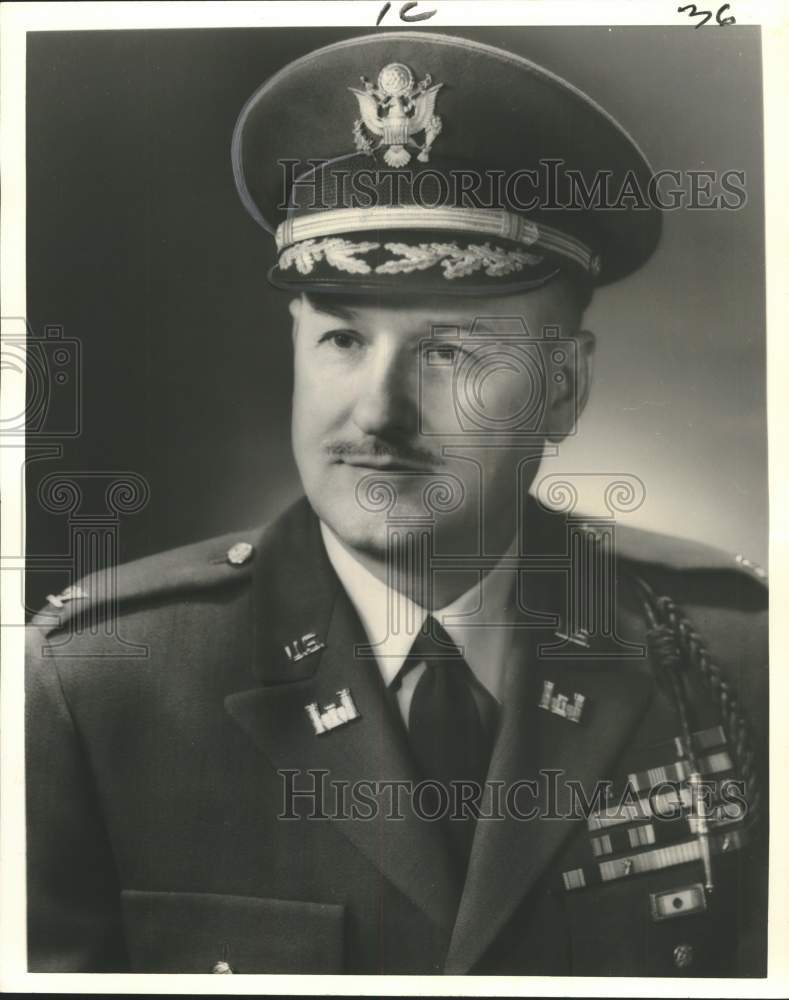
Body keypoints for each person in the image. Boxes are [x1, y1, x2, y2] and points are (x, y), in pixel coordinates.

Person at [26, 31, 768, 976]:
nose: (377, 415)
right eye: (341, 340)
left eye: (450, 351)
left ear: (563, 391)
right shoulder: (97, 688)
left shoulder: (737, 655)